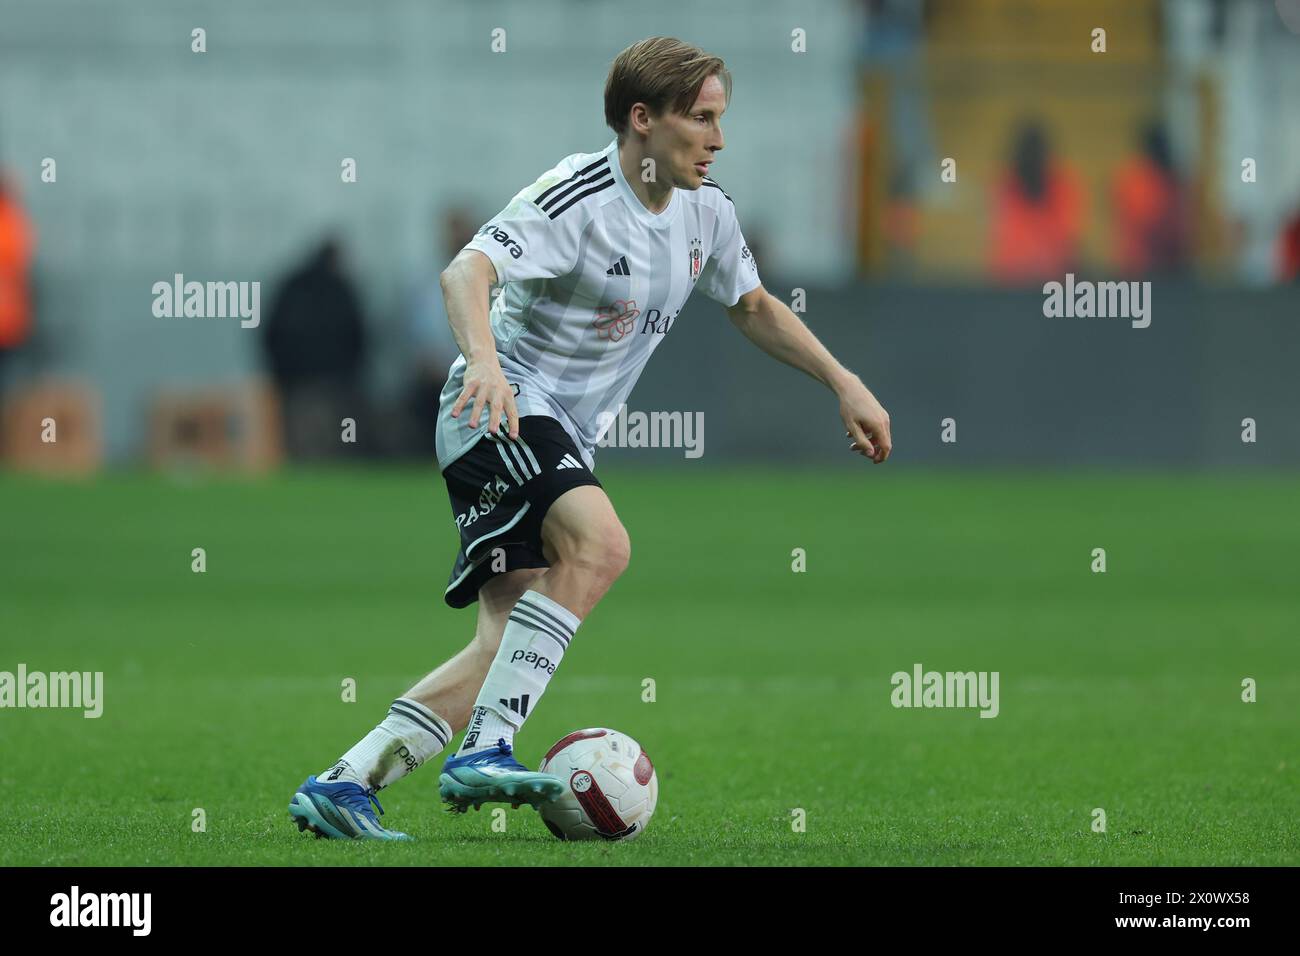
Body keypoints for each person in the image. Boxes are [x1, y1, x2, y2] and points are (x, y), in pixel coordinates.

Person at [288, 36, 893, 840]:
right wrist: (485, 364)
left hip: (556, 433)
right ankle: (489, 749)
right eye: (702, 120)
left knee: (502, 647)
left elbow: (751, 306)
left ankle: (347, 782)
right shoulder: (576, 197)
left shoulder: (706, 215)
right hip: (497, 412)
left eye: (722, 119)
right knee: (603, 547)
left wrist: (843, 381)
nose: (719, 140)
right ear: (642, 120)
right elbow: (464, 273)